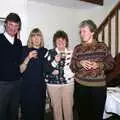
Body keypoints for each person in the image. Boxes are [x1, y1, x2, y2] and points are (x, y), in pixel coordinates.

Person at [70, 19, 115, 120]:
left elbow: (112, 64)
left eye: (84, 31)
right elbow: (72, 66)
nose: (81, 34)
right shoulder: (77, 48)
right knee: (82, 115)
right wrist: (79, 63)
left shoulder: (102, 46)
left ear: (92, 32)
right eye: (80, 31)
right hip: (80, 86)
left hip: (98, 87)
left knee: (96, 115)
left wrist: (99, 65)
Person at [20, 28, 56, 120]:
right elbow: (21, 70)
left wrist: (56, 62)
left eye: (38, 35)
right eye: (34, 36)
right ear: (30, 38)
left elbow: (48, 68)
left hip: (40, 88)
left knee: (39, 113)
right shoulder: (24, 49)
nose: (36, 38)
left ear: (41, 38)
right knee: (27, 113)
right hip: (27, 88)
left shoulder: (45, 51)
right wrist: (28, 57)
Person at [45, 30, 74, 120]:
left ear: (66, 42)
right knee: (56, 109)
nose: (61, 42)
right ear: (55, 42)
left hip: (68, 84)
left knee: (68, 108)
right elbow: (45, 69)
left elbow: (76, 68)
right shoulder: (49, 53)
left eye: (63, 40)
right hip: (53, 85)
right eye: (58, 40)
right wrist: (55, 62)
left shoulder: (72, 53)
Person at [0, 13, 22, 120]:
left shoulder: (18, 42)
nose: (13, 28)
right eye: (10, 24)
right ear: (5, 24)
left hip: (17, 83)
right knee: (2, 112)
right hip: (2, 84)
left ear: (18, 27)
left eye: (16, 25)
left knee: (13, 113)